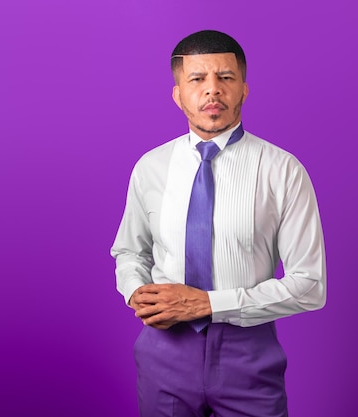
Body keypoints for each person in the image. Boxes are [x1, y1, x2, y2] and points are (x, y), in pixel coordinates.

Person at [110, 29, 326, 417]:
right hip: (164, 350)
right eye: (197, 79)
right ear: (178, 94)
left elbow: (310, 285)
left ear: (244, 88)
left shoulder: (283, 171)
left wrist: (208, 304)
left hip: (249, 354)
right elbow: (129, 250)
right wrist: (135, 290)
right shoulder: (150, 168)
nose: (213, 91)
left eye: (225, 78)